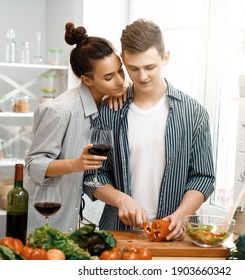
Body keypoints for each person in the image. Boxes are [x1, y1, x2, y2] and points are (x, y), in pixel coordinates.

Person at [83, 19, 215, 241]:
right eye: (133, 68)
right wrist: (120, 199)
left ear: (165, 57)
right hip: (119, 234)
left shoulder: (194, 113)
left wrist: (182, 215)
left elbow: (203, 176)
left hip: (177, 236)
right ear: (123, 61)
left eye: (150, 67)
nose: (142, 76)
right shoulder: (108, 112)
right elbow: (93, 175)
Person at [25, 22, 126, 234]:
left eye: (120, 72)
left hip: (74, 218)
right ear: (87, 79)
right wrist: (76, 164)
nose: (120, 82)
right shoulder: (59, 111)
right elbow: (34, 165)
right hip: (47, 219)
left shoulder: (106, 103)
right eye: (109, 77)